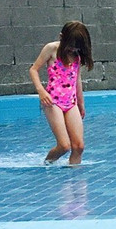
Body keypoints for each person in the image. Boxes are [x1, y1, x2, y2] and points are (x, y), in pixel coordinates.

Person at [29, 21, 93, 165]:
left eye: (76, 48)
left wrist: (81, 103)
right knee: (64, 146)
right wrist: (41, 91)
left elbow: (77, 79)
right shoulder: (51, 49)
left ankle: (75, 176)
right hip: (52, 102)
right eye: (70, 46)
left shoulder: (77, 54)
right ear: (61, 37)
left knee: (79, 146)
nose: (72, 50)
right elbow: (33, 70)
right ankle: (46, 165)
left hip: (71, 103)